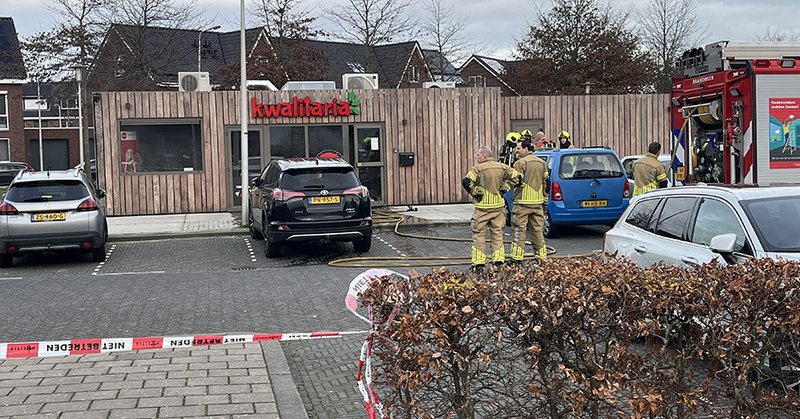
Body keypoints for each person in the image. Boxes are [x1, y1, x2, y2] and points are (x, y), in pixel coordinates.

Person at [462, 146, 522, 269]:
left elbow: (466, 182)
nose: (476, 157)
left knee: (479, 235)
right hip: (498, 207)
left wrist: (475, 192)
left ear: (484, 156)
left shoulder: (477, 168)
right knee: (497, 234)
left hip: (482, 208)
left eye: (478, 155)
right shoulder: (502, 167)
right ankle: (498, 261)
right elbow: (518, 178)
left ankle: (478, 263)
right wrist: (505, 188)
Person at [509, 137, 549, 261]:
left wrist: (501, 189)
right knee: (538, 232)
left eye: (518, 148)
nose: (516, 150)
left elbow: (515, 181)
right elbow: (547, 183)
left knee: (519, 232)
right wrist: (545, 201)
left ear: (526, 148)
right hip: (537, 203)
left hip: (522, 204)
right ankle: (542, 258)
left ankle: (516, 259)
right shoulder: (541, 162)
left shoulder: (520, 163)